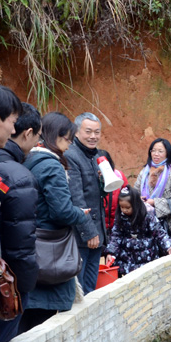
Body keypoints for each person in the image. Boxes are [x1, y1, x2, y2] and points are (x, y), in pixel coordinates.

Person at [20, 113, 89, 333]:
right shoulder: (51, 165)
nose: (69, 146)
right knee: (39, 325)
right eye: (68, 140)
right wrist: (80, 214)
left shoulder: (29, 159)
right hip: (49, 249)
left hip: (29, 243)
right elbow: (61, 212)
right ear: (56, 136)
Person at [0, 103, 41, 342]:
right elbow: (22, 243)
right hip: (4, 281)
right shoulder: (18, 176)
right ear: (27, 133)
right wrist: (26, 285)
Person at [64, 112, 106, 294]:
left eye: (97, 132)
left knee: (91, 288)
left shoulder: (95, 156)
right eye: (88, 131)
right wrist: (89, 232)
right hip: (83, 235)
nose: (93, 136)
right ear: (76, 132)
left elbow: (98, 193)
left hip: (97, 230)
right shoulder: (72, 156)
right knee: (81, 289)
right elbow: (76, 197)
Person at [105, 186, 171, 276]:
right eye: (122, 207)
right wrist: (111, 252)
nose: (124, 210)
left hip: (146, 257)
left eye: (128, 207)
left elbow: (158, 232)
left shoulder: (147, 214)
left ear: (135, 204)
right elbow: (116, 236)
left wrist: (169, 246)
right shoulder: (120, 216)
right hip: (127, 259)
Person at [133, 138, 171, 225]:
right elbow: (135, 194)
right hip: (143, 222)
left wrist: (154, 202)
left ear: (167, 153)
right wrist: (139, 200)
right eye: (153, 151)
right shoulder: (144, 172)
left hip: (166, 224)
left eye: (160, 151)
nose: (156, 154)